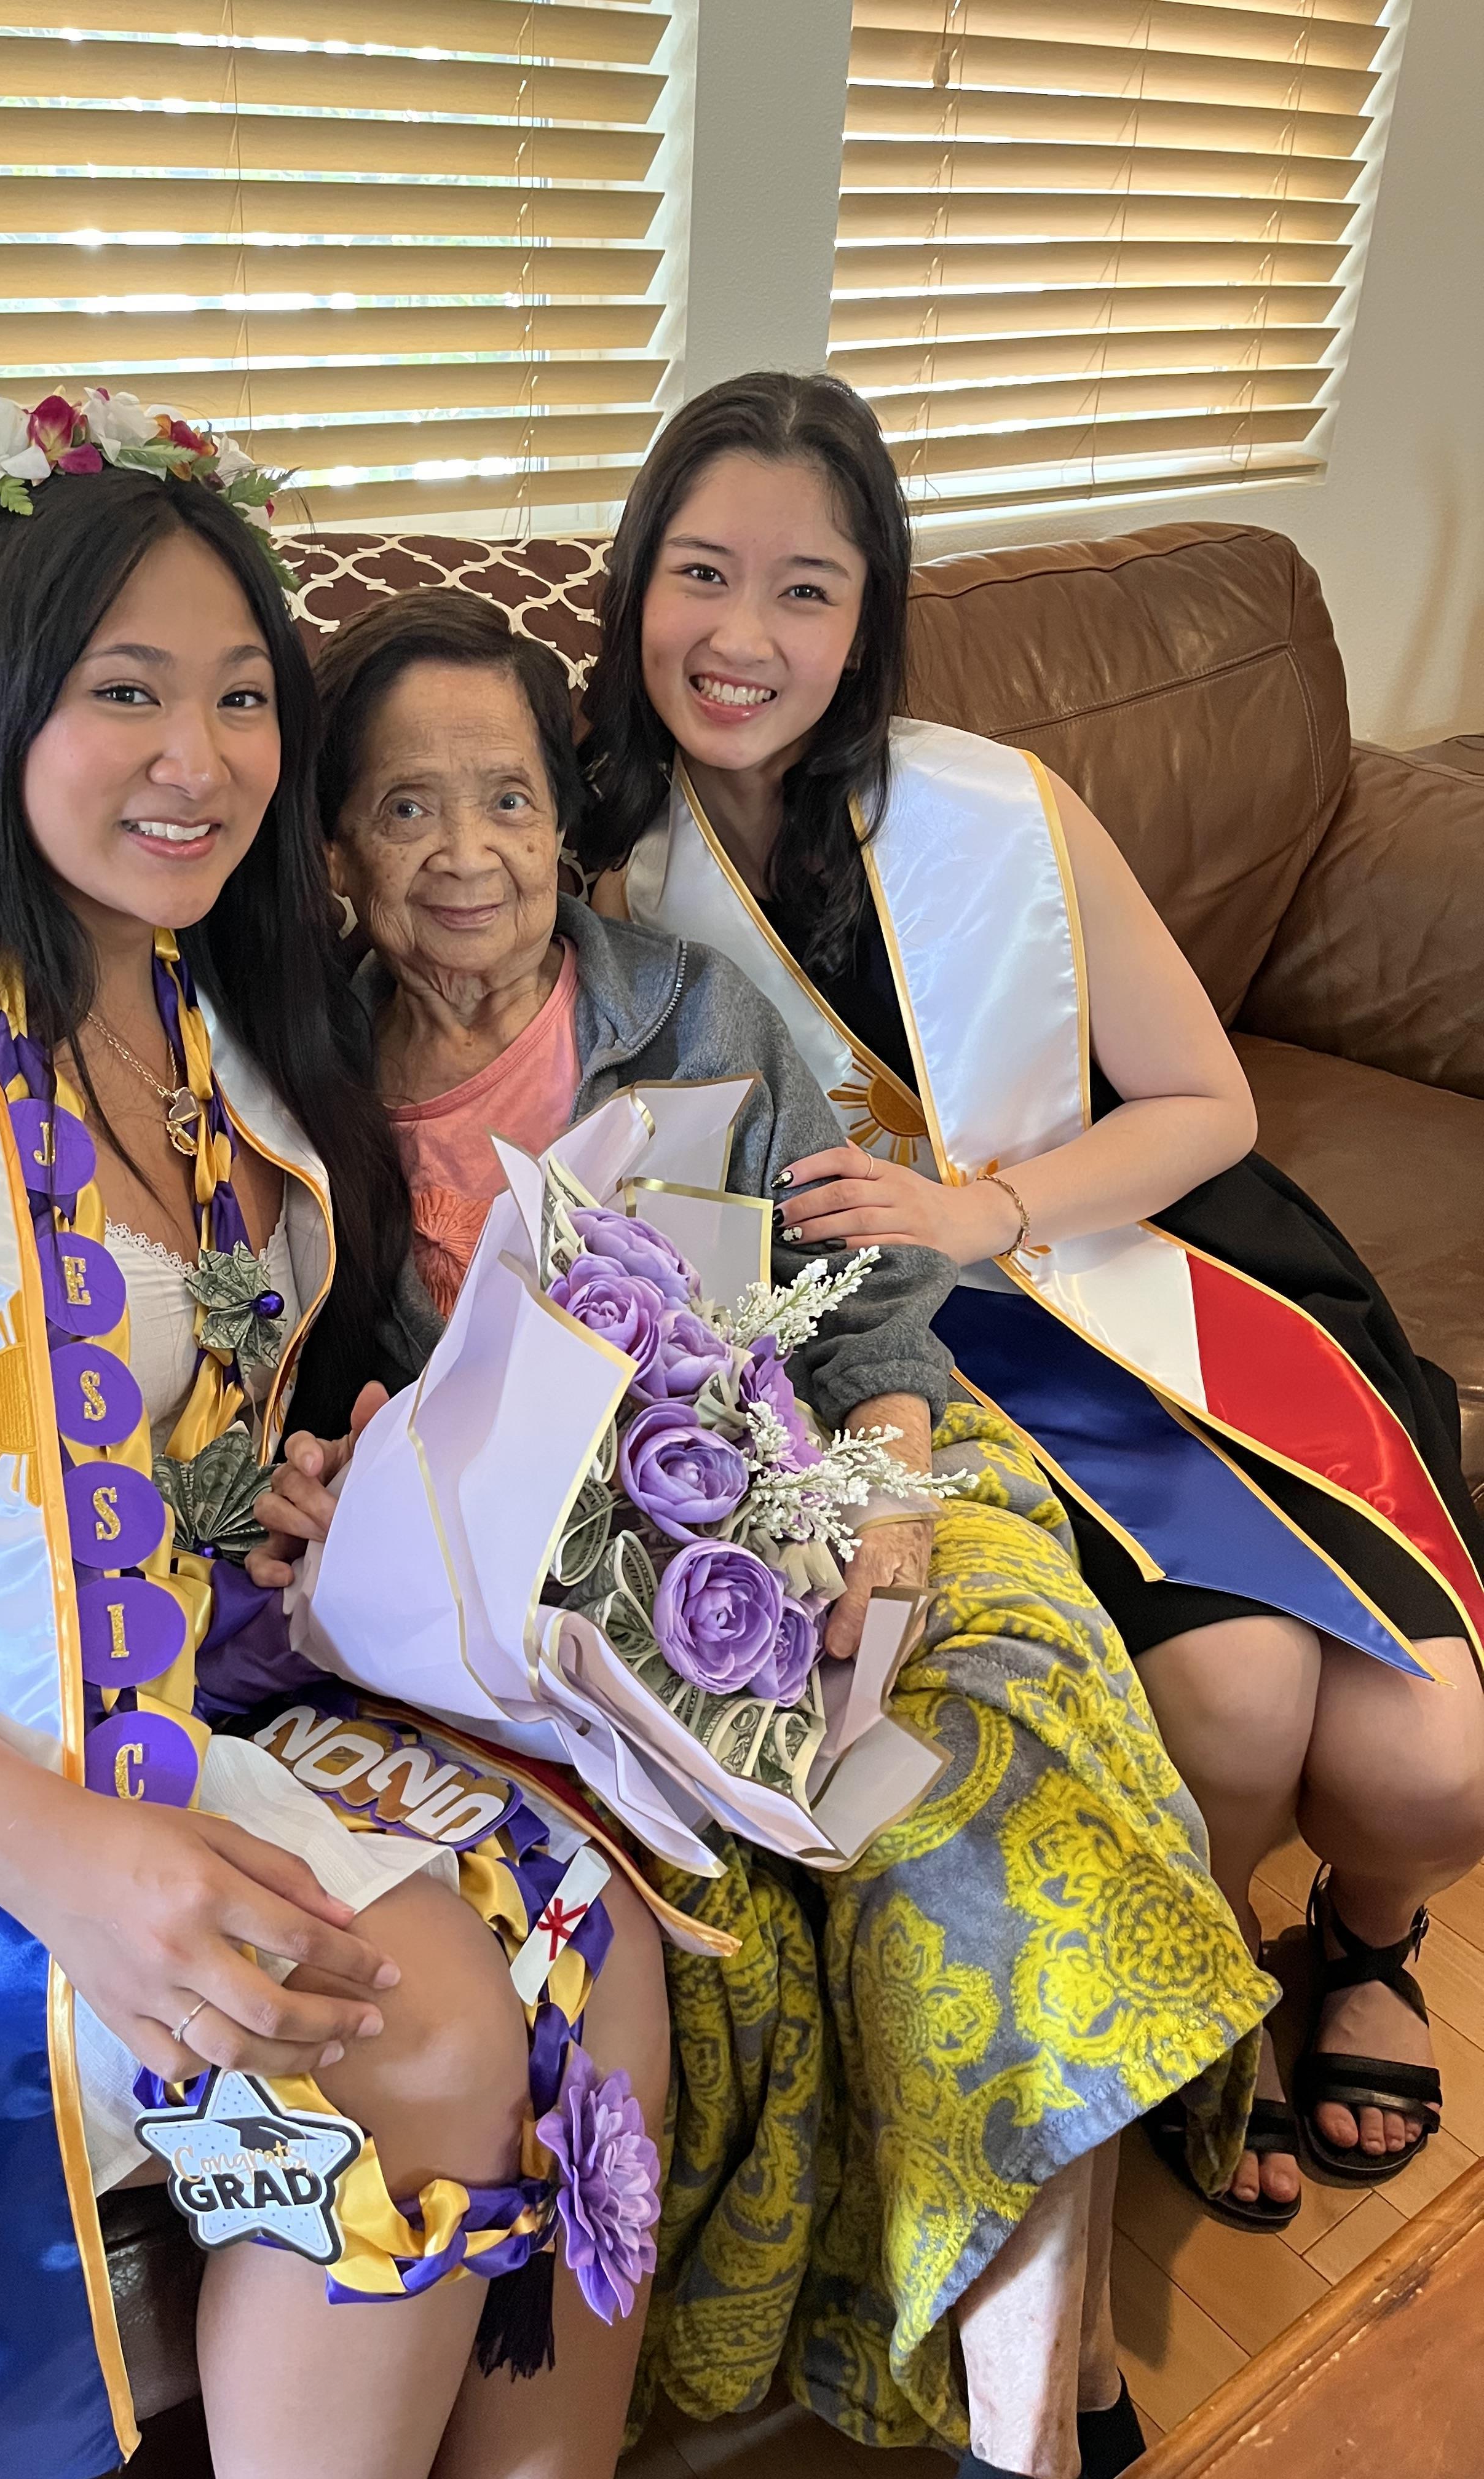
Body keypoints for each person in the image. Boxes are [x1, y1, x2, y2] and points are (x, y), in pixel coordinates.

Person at [0, 390, 667, 2479]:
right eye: (126, 695)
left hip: (161, 1666)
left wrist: (267, 1493)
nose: (200, 760)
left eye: (240, 697)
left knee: (607, 1918)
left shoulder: (210, 1020)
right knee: (433, 2019)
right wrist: (72, 1862)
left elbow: (159, 1435)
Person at [246, 586, 1273, 2479]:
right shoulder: (290, 1096)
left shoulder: (694, 1014)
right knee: (738, 1911)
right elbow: (306, 1424)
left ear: (572, 826)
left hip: (866, 1493)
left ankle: (1030, 2433)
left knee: (977, 1796)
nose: (466, 855)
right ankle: (1068, 2378)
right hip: (569, 1644)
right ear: (331, 850)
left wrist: (876, 1529)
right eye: (405, 810)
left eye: (508, 801)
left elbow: (875, 1333)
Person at [582, 369, 1484, 2242]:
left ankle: (1367, 1932)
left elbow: (1208, 1104)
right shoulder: (583, 866)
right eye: (701, 574)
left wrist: (983, 1202)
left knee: (1437, 1758)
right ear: (633, 583)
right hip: (897, 1354)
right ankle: (1192, 1983)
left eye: (807, 588)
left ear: (871, 609)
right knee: (1235, 1703)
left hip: (1143, 1267)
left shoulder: (994, 810)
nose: (743, 639)